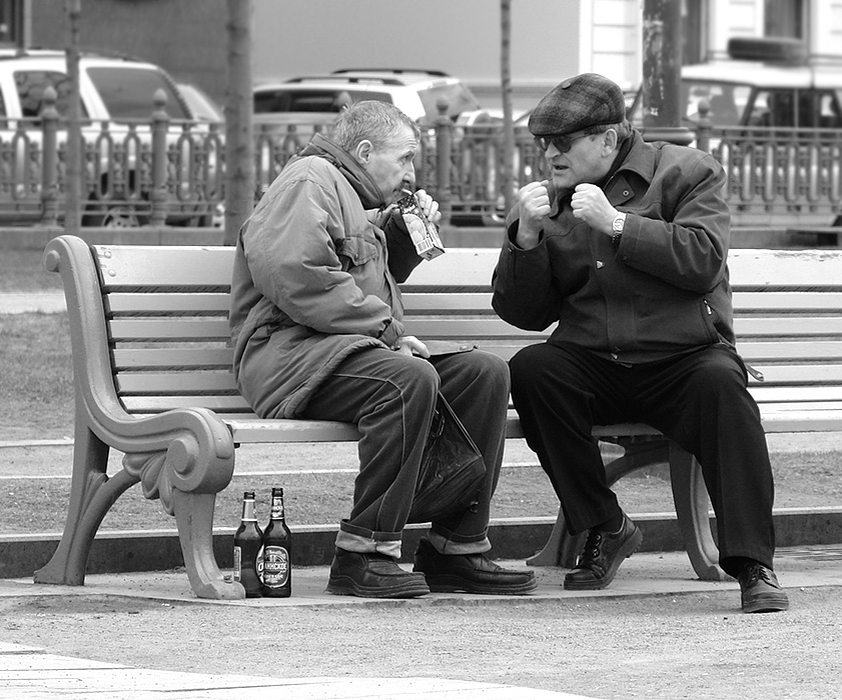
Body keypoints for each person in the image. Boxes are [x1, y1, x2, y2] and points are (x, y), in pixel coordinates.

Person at [491, 73, 788, 613]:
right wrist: (525, 240)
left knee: (724, 389)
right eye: (542, 143)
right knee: (534, 370)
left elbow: (702, 261)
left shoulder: (688, 172)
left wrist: (619, 225)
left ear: (607, 139)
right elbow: (523, 314)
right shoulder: (545, 204)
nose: (549, 153)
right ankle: (606, 527)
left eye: (563, 142)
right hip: (595, 362)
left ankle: (751, 563)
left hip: (684, 359)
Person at [229, 100, 536, 599]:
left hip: (341, 353)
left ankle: (457, 550)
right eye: (406, 158)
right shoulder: (310, 181)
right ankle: (361, 554)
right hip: (288, 358)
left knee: (484, 375)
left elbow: (356, 276)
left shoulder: (350, 195)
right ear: (366, 150)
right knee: (406, 380)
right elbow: (298, 275)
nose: (412, 173)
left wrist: (401, 241)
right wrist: (387, 331)